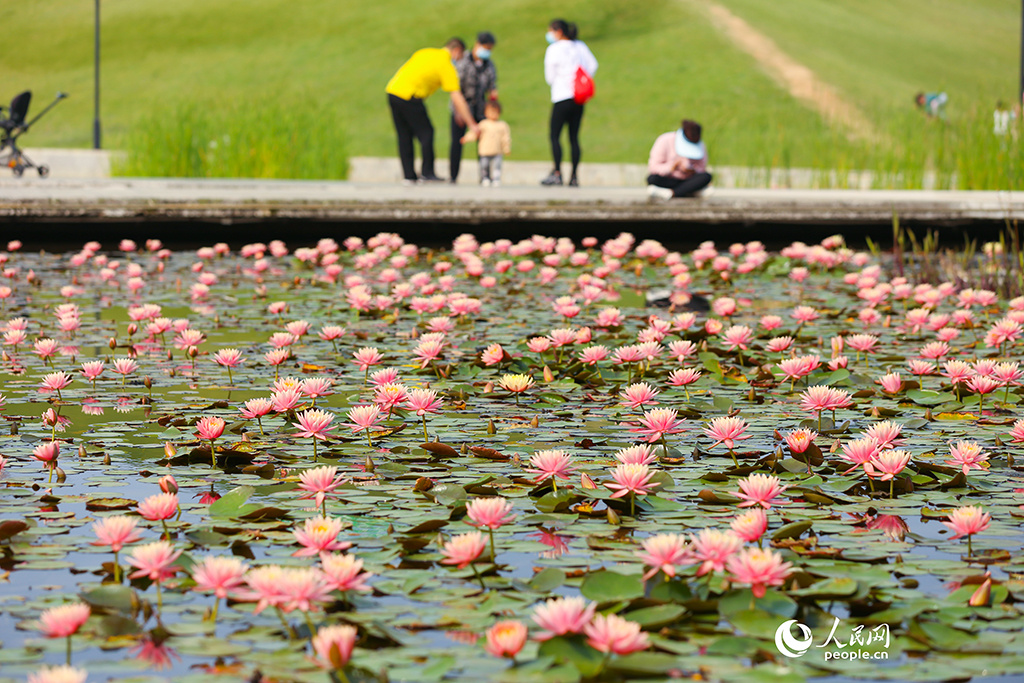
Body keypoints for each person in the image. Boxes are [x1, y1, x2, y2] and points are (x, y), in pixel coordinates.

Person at [386, 38, 480, 184]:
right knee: (427, 133)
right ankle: (427, 172)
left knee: (404, 135)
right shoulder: (446, 65)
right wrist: (472, 124)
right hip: (410, 96)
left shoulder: (425, 52)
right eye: (460, 57)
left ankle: (409, 176)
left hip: (393, 91)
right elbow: (457, 97)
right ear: (457, 51)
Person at [541, 19, 597, 187]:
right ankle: (574, 176)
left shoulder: (554, 49)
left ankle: (557, 173)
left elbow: (549, 77)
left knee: (555, 136)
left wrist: (562, 81)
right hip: (578, 97)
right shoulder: (579, 46)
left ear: (558, 31)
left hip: (561, 96)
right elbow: (593, 64)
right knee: (574, 137)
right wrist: (580, 79)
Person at [449, 31, 499, 184]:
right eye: (486, 47)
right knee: (457, 142)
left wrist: (493, 105)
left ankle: (484, 176)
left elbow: (492, 87)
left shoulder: (489, 65)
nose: (487, 51)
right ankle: (453, 176)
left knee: (484, 144)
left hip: (480, 108)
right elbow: (455, 88)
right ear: (478, 44)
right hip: (462, 107)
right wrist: (458, 111)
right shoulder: (463, 61)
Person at [646, 120, 713, 200]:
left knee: (706, 177)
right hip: (670, 179)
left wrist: (692, 170)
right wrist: (672, 167)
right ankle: (687, 191)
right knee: (652, 179)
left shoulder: (701, 145)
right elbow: (653, 167)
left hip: (688, 180)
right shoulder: (665, 140)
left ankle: (671, 193)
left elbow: (702, 169)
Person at [461, 100, 511, 186]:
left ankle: (496, 178)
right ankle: (485, 178)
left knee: (497, 166)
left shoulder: (502, 125)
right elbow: (474, 133)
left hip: (497, 150)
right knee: (484, 165)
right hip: (485, 150)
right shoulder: (483, 124)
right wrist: (466, 138)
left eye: (495, 112)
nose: (493, 114)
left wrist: (506, 148)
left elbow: (506, 138)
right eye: (490, 112)